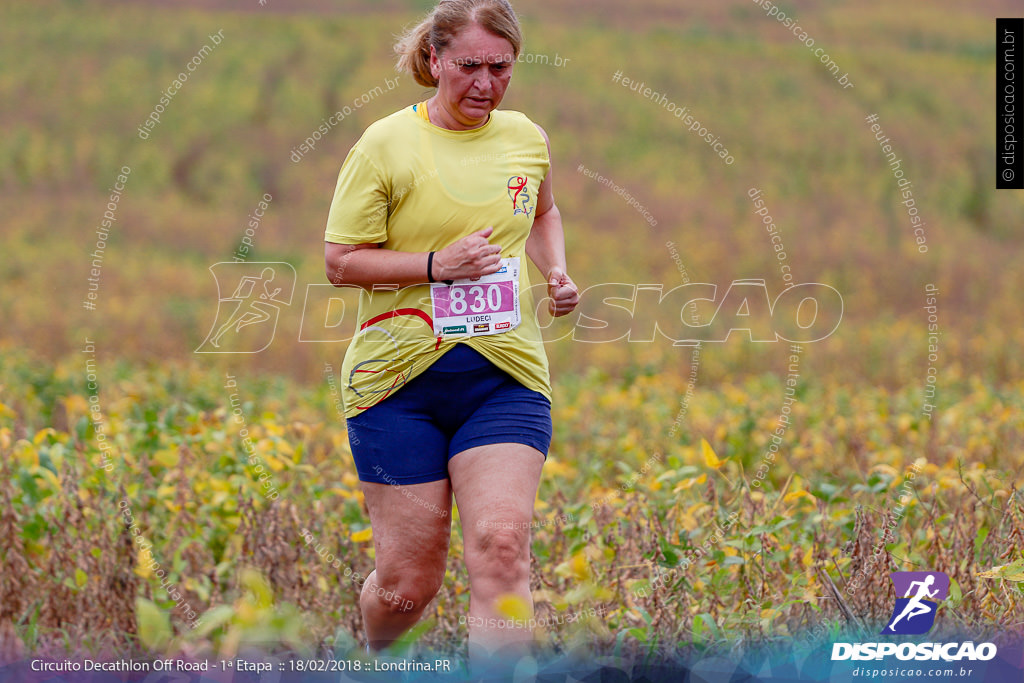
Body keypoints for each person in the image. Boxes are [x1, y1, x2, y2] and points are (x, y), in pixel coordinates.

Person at [322, 0, 578, 665]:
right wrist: (437, 266)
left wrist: (557, 272)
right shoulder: (385, 144)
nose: (485, 85)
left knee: (501, 548)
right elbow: (340, 260)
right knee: (409, 585)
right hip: (396, 385)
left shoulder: (526, 138)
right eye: (469, 66)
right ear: (434, 60)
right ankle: (375, 662)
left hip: (504, 379)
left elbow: (545, 211)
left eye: (501, 68)